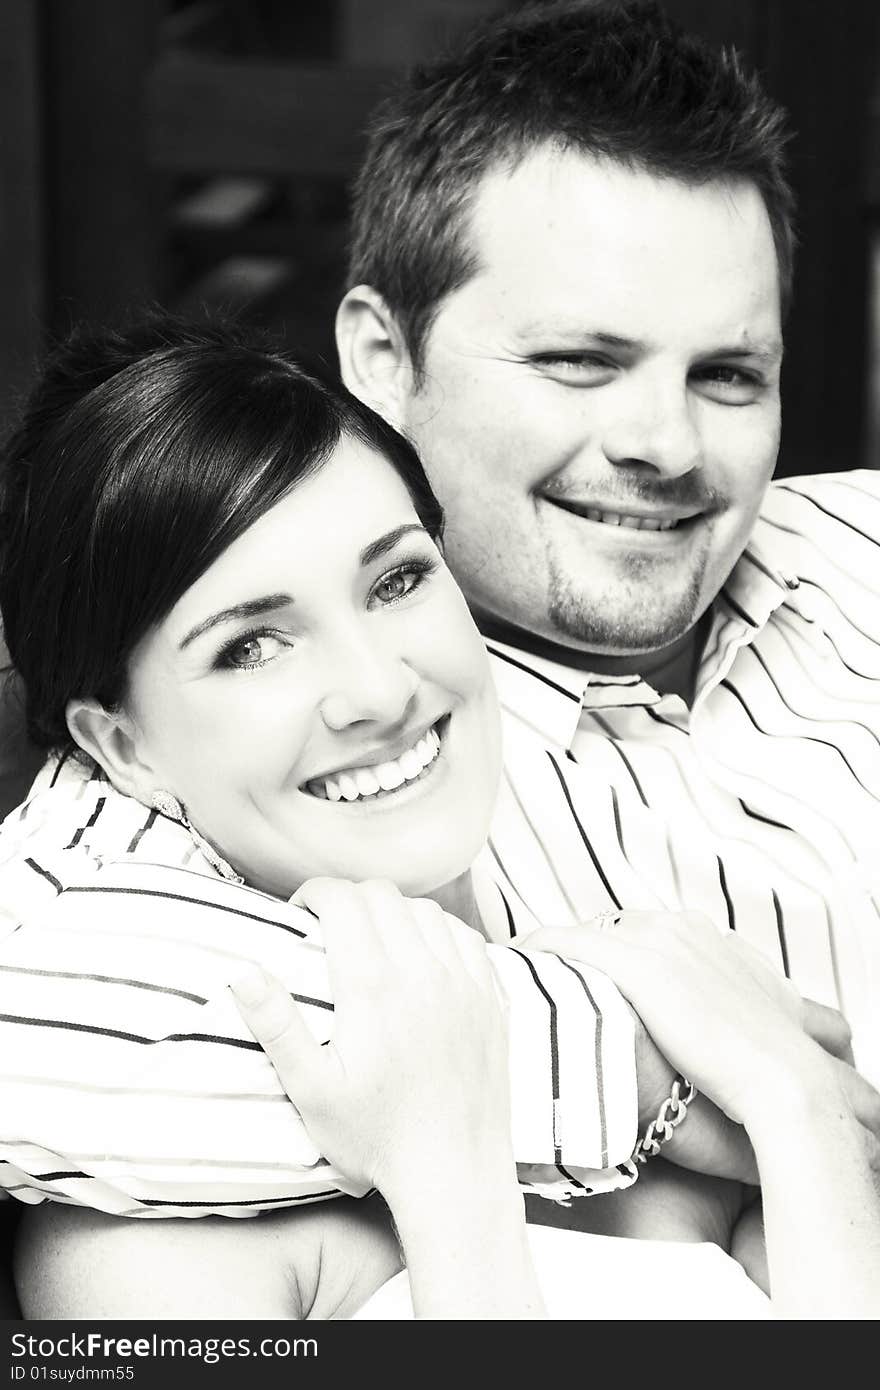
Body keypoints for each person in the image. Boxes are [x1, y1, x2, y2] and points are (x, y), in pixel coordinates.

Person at [2, 318, 876, 1319]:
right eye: (251, 646)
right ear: (123, 749)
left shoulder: (673, 1024)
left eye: (398, 579)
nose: (377, 688)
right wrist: (450, 1182)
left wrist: (794, 1105)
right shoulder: (135, 1244)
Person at [333, 0, 880, 1096]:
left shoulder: (860, 545)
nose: (666, 447)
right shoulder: (311, 742)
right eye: (581, 361)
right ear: (383, 359)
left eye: (727, 375)